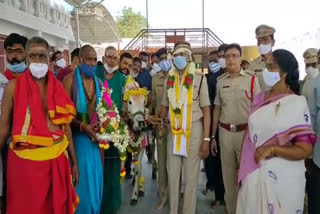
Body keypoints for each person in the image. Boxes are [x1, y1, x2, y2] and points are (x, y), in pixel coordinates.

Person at [0, 36, 79, 214]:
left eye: (42, 56)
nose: (37, 60)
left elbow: (66, 127)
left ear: (49, 59)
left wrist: (74, 161)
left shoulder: (58, 87)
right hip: (24, 167)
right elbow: (3, 129)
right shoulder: (13, 87)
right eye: (33, 56)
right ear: (27, 58)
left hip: (57, 160)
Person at [237, 49, 317, 214]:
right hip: (252, 174)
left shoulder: (295, 103)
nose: (266, 71)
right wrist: (241, 165)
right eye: (266, 66)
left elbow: (305, 149)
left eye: (271, 67)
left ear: (285, 72)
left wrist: (273, 149)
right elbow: (250, 134)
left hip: (283, 181)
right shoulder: (259, 98)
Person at [160, 41, 211, 214]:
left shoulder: (199, 78)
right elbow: (164, 108)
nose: (180, 58)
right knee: (173, 174)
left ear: (189, 58)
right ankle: (173, 210)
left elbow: (206, 110)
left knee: (191, 177)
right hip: (173, 131)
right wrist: (158, 120)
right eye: (177, 55)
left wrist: (206, 139)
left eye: (183, 55)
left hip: (193, 130)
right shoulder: (169, 79)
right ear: (172, 58)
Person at [211, 43, 261, 214]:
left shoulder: (252, 79)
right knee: (227, 178)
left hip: (245, 135)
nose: (230, 59)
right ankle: (232, 210)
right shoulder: (220, 82)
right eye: (227, 56)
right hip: (225, 134)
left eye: (234, 55)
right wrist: (212, 137)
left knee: (246, 178)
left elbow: (258, 109)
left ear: (241, 58)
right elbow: (217, 108)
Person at [63, 45, 103, 214]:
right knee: (82, 188)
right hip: (78, 143)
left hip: (97, 144)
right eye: (89, 59)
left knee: (96, 184)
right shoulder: (69, 81)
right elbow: (63, 117)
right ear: (79, 60)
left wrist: (106, 123)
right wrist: (82, 126)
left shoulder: (100, 83)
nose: (92, 63)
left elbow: (108, 111)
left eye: (95, 60)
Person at [96, 46, 126, 214]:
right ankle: (99, 202)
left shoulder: (122, 79)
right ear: (104, 57)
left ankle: (114, 203)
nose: (112, 60)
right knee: (100, 167)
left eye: (115, 57)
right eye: (109, 57)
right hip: (97, 130)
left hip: (116, 130)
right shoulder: (96, 75)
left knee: (114, 168)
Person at [205, 46, 226, 209]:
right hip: (218, 126)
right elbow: (212, 106)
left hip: (239, 128)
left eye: (220, 57)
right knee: (218, 163)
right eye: (214, 59)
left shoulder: (246, 77)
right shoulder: (213, 79)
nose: (218, 61)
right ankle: (220, 195)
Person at [150, 47, 171, 211]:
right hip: (161, 127)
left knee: (176, 163)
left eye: (166, 57)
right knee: (162, 162)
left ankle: (178, 192)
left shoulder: (178, 76)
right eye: (161, 58)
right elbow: (154, 103)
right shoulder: (155, 78)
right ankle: (164, 195)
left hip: (177, 127)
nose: (164, 60)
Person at [302, 48, 320, 214]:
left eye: (313, 64)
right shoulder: (307, 83)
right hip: (312, 146)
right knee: (313, 191)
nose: (310, 67)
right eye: (307, 64)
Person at [248, 24, 276, 90]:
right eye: (259, 40)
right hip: (259, 100)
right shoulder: (252, 65)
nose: (262, 43)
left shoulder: (281, 61)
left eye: (265, 40)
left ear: (273, 42)